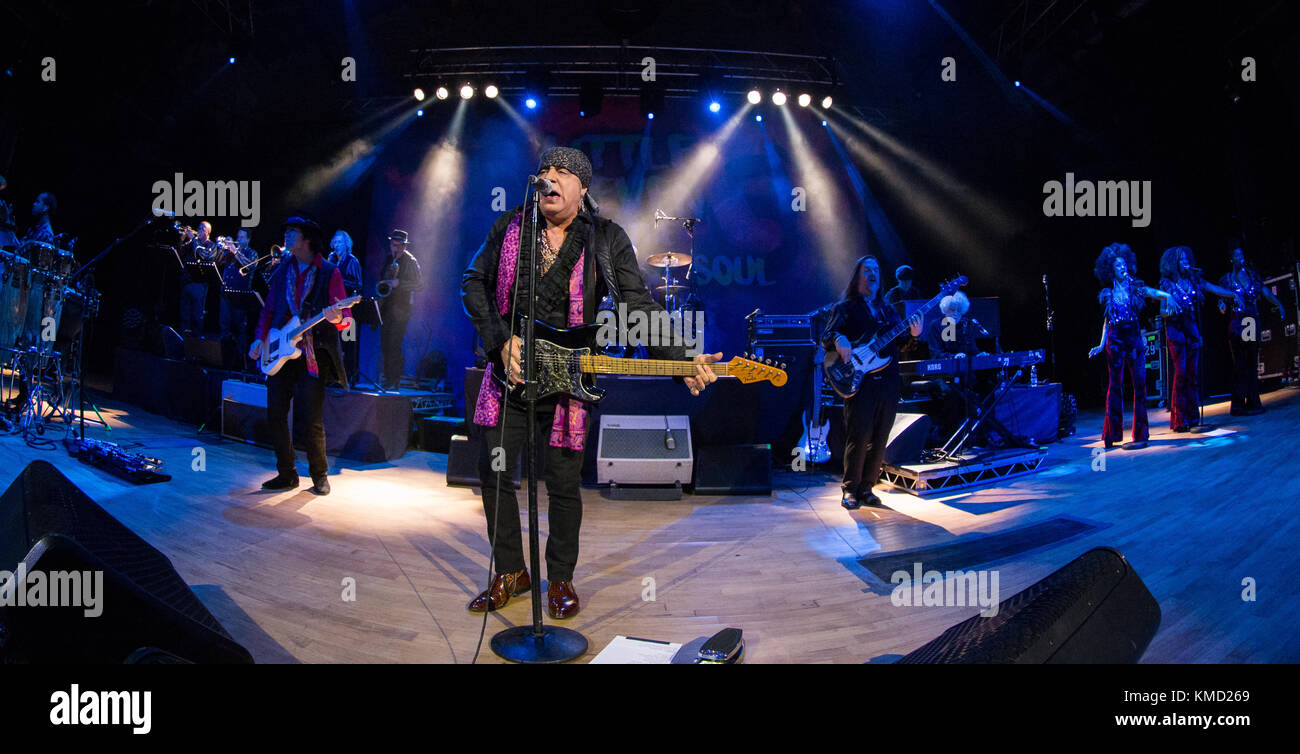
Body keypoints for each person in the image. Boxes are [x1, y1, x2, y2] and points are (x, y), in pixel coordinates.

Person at [461, 146, 720, 619]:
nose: (549, 178)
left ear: (582, 188)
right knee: (494, 472)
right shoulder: (510, 227)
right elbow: (473, 282)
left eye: (562, 173)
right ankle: (510, 572)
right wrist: (500, 341)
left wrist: (683, 358)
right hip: (510, 374)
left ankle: (559, 578)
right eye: (544, 171)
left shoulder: (605, 237)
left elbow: (636, 306)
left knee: (562, 483)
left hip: (570, 380)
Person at [250, 217, 352, 496]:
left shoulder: (330, 272)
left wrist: (337, 317)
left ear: (307, 238)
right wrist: (260, 338)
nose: (285, 235)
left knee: (311, 418)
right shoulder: (283, 270)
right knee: (275, 413)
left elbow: (346, 320)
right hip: (281, 349)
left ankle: (319, 475)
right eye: (285, 231)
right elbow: (269, 310)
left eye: (291, 231)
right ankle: (287, 474)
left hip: (311, 353)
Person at [821, 254, 923, 510]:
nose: (873, 273)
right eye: (867, 269)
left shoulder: (888, 311)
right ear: (858, 276)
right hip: (859, 380)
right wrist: (838, 338)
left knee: (880, 436)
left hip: (888, 381)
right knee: (859, 434)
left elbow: (903, 345)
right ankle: (850, 489)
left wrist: (914, 334)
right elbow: (827, 336)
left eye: (876, 269)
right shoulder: (844, 308)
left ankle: (868, 487)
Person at [1087, 243, 1179, 450]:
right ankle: (1112, 433)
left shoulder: (1134, 287)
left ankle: (1141, 433)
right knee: (1115, 384)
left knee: (1140, 384)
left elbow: (1152, 292)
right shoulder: (1107, 293)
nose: (1122, 268)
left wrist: (1167, 295)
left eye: (1124, 264)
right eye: (1118, 265)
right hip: (1116, 339)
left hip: (1134, 338)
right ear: (1110, 270)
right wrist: (1101, 345)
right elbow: (1107, 320)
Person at [1157, 246, 1240, 431]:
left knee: (1193, 375)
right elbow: (1162, 311)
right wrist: (1169, 312)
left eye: (1188, 259)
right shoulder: (1167, 285)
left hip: (1192, 331)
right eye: (1182, 260)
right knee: (1181, 373)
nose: (1186, 262)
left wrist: (1233, 294)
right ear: (1174, 263)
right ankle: (1180, 419)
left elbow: (1213, 288)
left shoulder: (1194, 281)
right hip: (1176, 332)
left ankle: (1193, 416)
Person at [1218, 245, 1285, 416]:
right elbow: (1222, 302)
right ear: (1231, 259)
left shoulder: (1252, 275)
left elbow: (1265, 291)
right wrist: (1222, 307)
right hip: (1237, 321)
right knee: (1240, 364)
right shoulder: (1226, 279)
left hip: (1251, 320)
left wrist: (1279, 304)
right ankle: (1238, 406)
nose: (1241, 257)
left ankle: (1254, 402)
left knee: (1251, 362)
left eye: (1242, 254)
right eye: (1237, 255)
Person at [378, 229, 423, 389]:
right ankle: (388, 378)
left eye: (398, 245)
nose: (394, 248)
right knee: (384, 344)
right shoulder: (388, 259)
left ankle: (393, 380)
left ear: (404, 246)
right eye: (392, 244)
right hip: (387, 307)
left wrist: (400, 284)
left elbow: (419, 285)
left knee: (394, 344)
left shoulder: (411, 261)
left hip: (402, 310)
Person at [329, 230, 364, 382]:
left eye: (340, 242)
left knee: (347, 344)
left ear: (347, 244)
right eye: (335, 242)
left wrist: (338, 281)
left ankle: (348, 377)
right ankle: (332, 376)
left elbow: (358, 285)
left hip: (348, 308)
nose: (337, 245)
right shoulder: (330, 259)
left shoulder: (352, 261)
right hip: (332, 308)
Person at [178, 220, 219, 335]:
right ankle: (184, 344)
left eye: (203, 229)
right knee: (184, 317)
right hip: (186, 282)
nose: (199, 230)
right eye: (199, 228)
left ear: (208, 233)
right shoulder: (191, 242)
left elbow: (205, 256)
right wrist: (182, 238)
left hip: (199, 285)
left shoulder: (211, 245)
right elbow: (180, 253)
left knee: (196, 318)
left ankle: (195, 347)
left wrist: (194, 240)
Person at [219, 228, 257, 352]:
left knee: (240, 328)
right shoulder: (229, 253)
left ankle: (241, 359)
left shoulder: (251, 253)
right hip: (225, 293)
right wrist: (222, 249)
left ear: (248, 239)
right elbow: (218, 261)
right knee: (224, 326)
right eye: (238, 236)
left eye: (242, 237)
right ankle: (224, 356)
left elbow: (249, 267)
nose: (238, 239)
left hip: (240, 297)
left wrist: (234, 250)